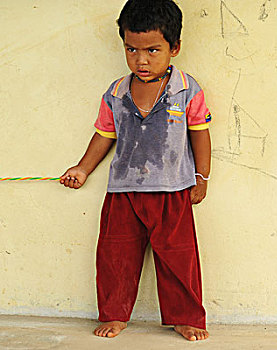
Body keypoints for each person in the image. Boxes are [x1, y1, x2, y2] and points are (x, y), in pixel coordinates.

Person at [60, 0, 211, 341]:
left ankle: (185, 316)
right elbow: (104, 134)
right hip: (123, 192)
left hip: (172, 191)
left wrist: (201, 178)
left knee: (178, 259)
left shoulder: (187, 90)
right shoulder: (116, 92)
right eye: (132, 49)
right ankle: (114, 314)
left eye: (153, 50)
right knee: (115, 257)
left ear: (174, 47)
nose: (141, 60)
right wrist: (83, 169)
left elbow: (200, 136)